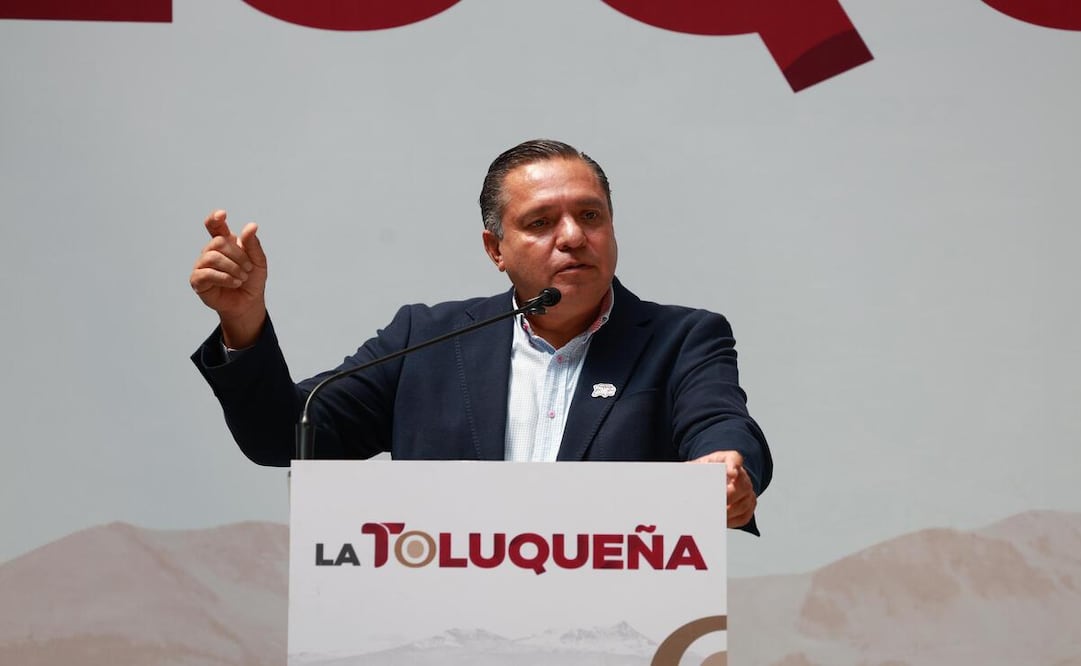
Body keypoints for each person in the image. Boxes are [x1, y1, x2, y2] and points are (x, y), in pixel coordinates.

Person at [190, 139, 772, 532]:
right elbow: (281, 438)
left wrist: (727, 467)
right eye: (541, 223)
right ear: (496, 249)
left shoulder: (682, 338)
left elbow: (720, 424)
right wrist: (243, 324)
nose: (572, 236)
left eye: (590, 216)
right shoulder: (427, 339)